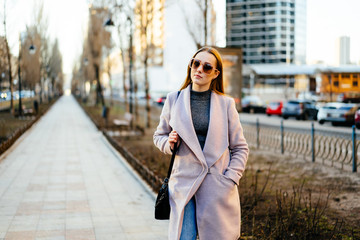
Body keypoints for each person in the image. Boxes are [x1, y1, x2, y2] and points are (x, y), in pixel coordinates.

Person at [153, 46, 249, 240]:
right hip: (184, 183)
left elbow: (240, 147)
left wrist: (230, 178)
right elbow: (158, 136)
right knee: (184, 237)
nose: (199, 70)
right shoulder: (174, 99)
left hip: (216, 185)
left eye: (206, 67)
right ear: (190, 65)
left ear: (215, 73)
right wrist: (168, 143)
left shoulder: (226, 104)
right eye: (196, 64)